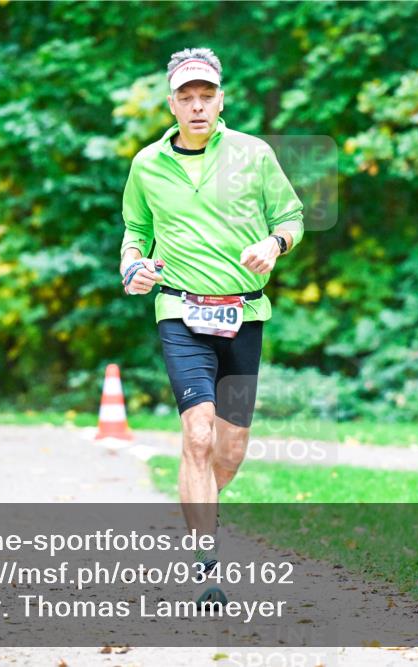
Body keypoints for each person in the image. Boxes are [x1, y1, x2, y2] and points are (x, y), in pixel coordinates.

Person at [118, 47, 303, 606]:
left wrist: (274, 245)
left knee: (229, 451)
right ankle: (205, 563)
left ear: (221, 99)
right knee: (196, 435)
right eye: (186, 97)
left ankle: (197, 509)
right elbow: (134, 230)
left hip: (243, 312)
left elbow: (290, 218)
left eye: (206, 95)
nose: (197, 106)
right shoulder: (147, 164)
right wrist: (133, 267)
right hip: (180, 310)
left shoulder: (255, 153)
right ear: (171, 103)